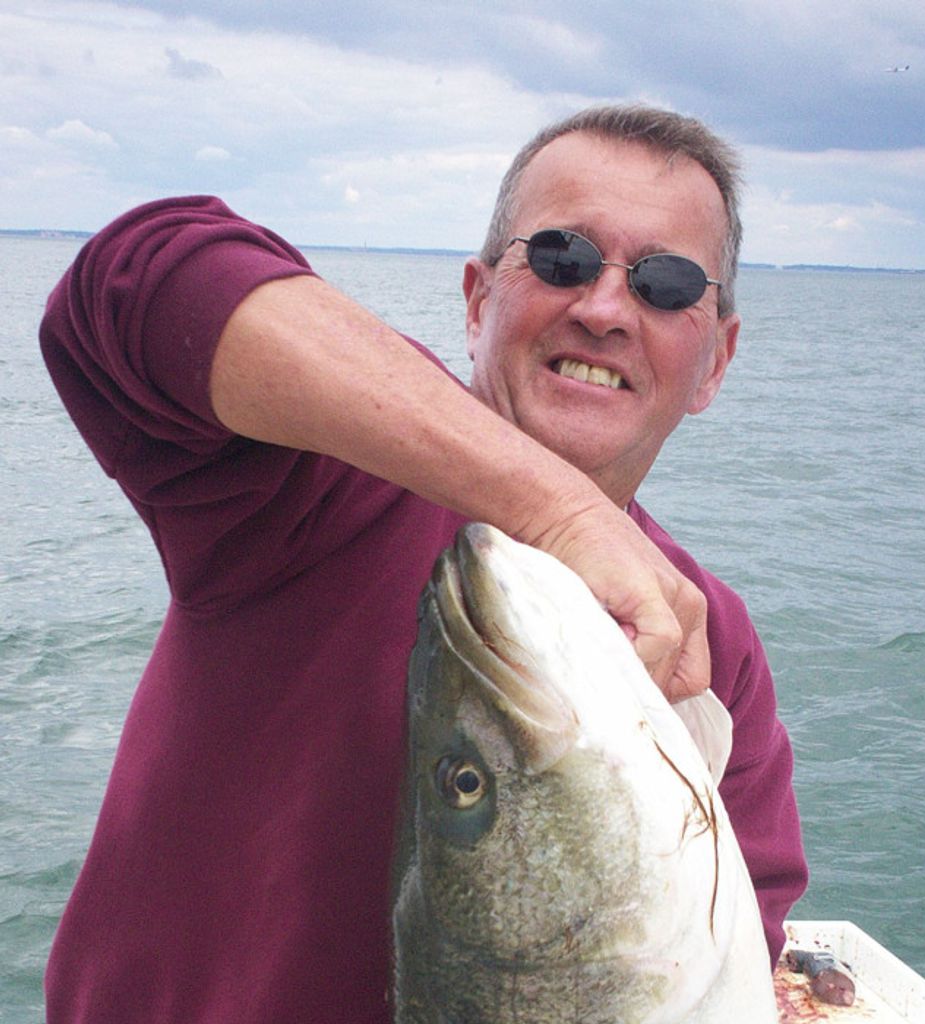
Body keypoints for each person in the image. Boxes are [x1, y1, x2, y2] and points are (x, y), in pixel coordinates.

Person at [40, 104, 807, 1022]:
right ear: (479, 302)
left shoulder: (711, 640)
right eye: (561, 257)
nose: (605, 309)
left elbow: (744, 933)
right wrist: (560, 513)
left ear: (716, 360)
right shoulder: (320, 471)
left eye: (666, 283)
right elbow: (133, 281)